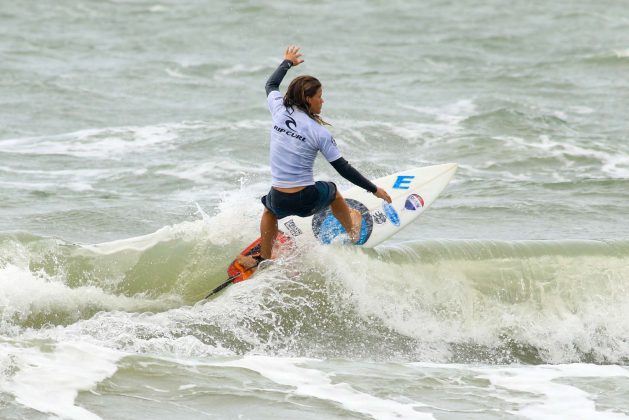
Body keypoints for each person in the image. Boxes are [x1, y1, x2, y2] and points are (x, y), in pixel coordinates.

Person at [238, 46, 391, 269]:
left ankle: (263, 257)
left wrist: (287, 62)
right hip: (305, 199)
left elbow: (271, 85)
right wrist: (373, 189)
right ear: (308, 99)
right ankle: (352, 230)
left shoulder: (279, 110)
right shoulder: (319, 132)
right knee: (333, 191)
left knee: (269, 210)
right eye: (320, 96)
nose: (323, 101)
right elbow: (343, 167)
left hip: (279, 197)